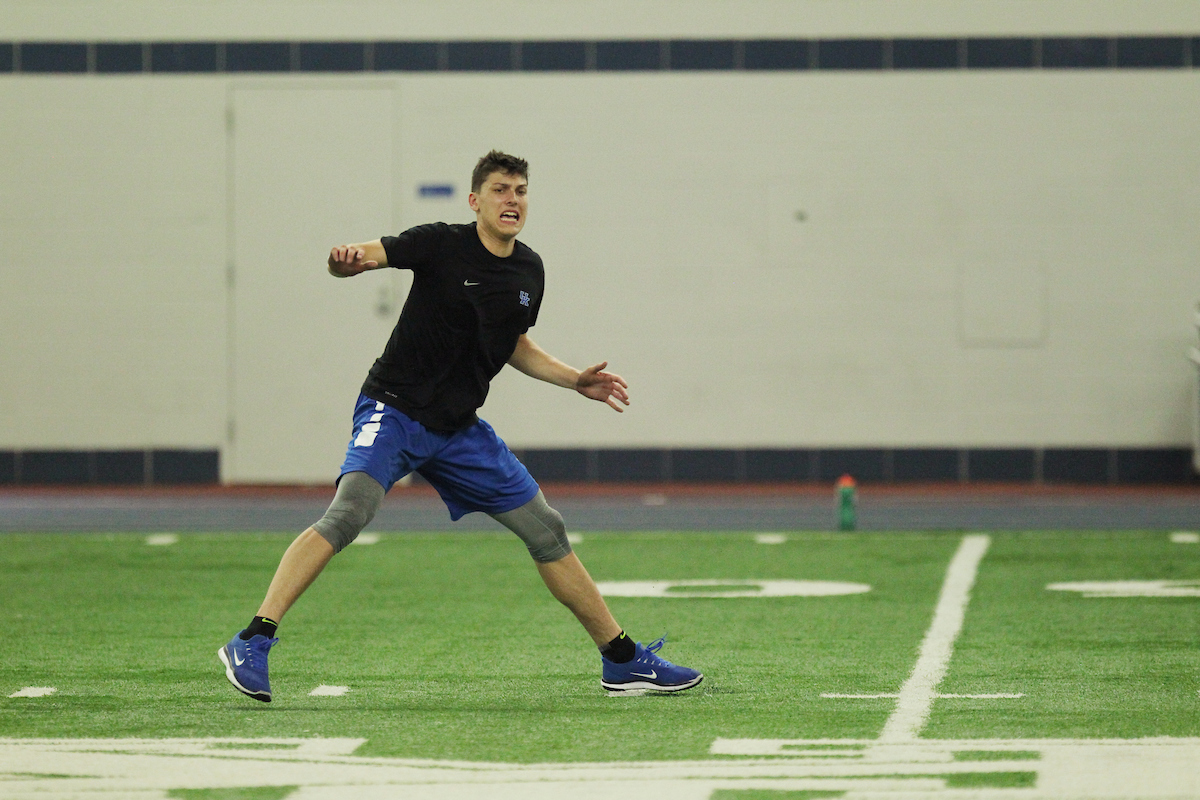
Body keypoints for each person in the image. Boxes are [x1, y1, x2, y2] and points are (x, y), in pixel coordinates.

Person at [218, 150, 702, 702]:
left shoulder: (529, 270)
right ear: (475, 201)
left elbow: (513, 343)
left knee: (546, 529)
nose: (512, 199)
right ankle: (252, 639)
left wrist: (574, 380)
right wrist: (343, 263)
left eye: (520, 190)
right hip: (394, 411)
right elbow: (364, 257)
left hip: (458, 430)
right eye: (500, 190)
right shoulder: (439, 243)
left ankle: (621, 660)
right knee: (350, 511)